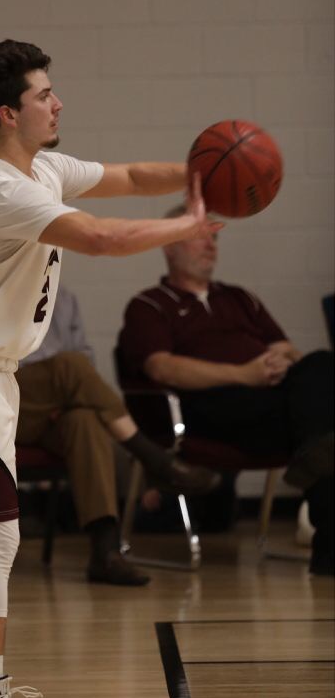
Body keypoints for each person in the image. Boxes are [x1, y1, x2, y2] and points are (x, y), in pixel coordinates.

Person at [0, 39, 221, 698]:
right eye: (44, 94)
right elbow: (102, 237)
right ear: (8, 114)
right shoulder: (1, 192)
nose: (58, 102)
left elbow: (129, 177)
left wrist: (206, 174)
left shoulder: (40, 167)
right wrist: (191, 223)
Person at [117, 206, 334, 576]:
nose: (211, 246)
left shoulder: (239, 298)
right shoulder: (150, 305)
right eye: (199, 237)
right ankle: (328, 537)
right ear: (168, 245)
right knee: (321, 420)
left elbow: (287, 349)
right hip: (207, 408)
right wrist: (244, 374)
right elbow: (161, 367)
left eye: (214, 238)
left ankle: (328, 532)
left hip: (273, 403)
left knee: (321, 368)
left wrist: (282, 362)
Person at [15, 284, 219, 586]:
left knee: (84, 420)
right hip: (4, 402)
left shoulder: (64, 297)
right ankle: (156, 460)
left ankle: (105, 552)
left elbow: (85, 356)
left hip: (54, 411)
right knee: (69, 367)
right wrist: (52, 386)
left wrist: (64, 396)